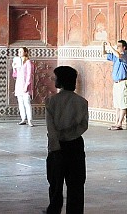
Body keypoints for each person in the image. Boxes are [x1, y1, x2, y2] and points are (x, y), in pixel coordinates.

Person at [44, 65, 88, 214]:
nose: (53, 79)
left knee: (55, 185)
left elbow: (51, 128)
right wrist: (70, 134)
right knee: (76, 185)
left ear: (61, 81)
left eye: (56, 78)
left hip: (57, 146)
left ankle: (54, 210)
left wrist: (55, 144)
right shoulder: (82, 102)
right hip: (75, 145)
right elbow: (83, 125)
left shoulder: (52, 101)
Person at [102, 38, 127, 130]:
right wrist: (103, 46)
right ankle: (116, 122)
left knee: (123, 103)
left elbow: (118, 54)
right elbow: (104, 54)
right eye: (117, 47)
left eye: (119, 46)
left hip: (124, 83)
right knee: (117, 104)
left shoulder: (126, 56)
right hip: (116, 83)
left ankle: (120, 123)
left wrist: (110, 46)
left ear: (124, 48)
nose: (118, 48)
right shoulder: (115, 56)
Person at [12, 46, 35, 126]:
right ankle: (23, 118)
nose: (19, 53)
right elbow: (15, 75)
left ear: (25, 52)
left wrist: (26, 85)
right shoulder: (18, 61)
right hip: (19, 83)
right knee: (20, 102)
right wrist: (14, 68)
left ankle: (30, 120)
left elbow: (29, 74)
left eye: (21, 51)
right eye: (19, 52)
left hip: (25, 84)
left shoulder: (28, 62)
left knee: (27, 102)